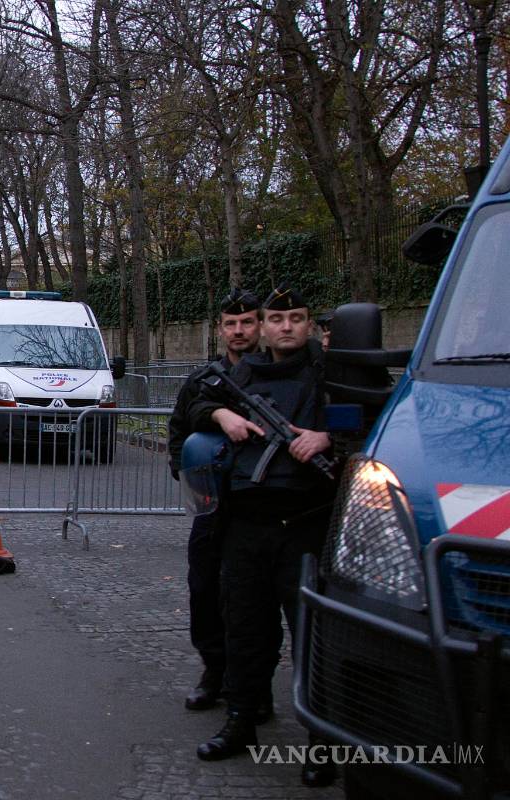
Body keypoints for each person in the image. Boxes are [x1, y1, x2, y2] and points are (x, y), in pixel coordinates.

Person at [187, 285, 338, 787]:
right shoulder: (240, 374)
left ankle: (323, 739)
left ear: (310, 324)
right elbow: (194, 406)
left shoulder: (331, 374)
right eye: (277, 318)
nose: (286, 327)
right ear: (264, 325)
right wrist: (220, 413)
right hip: (246, 526)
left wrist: (328, 437)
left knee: (313, 637)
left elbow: (379, 420)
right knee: (245, 629)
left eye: (296, 317)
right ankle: (241, 719)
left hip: (307, 524)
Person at [168, 289, 275, 717]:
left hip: (262, 508)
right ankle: (214, 671)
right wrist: (188, 475)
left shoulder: (276, 376)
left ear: (260, 326)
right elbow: (179, 430)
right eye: (231, 324)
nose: (239, 331)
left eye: (247, 322)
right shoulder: (204, 379)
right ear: (220, 329)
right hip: (214, 509)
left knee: (257, 602)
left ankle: (254, 686)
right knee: (204, 591)